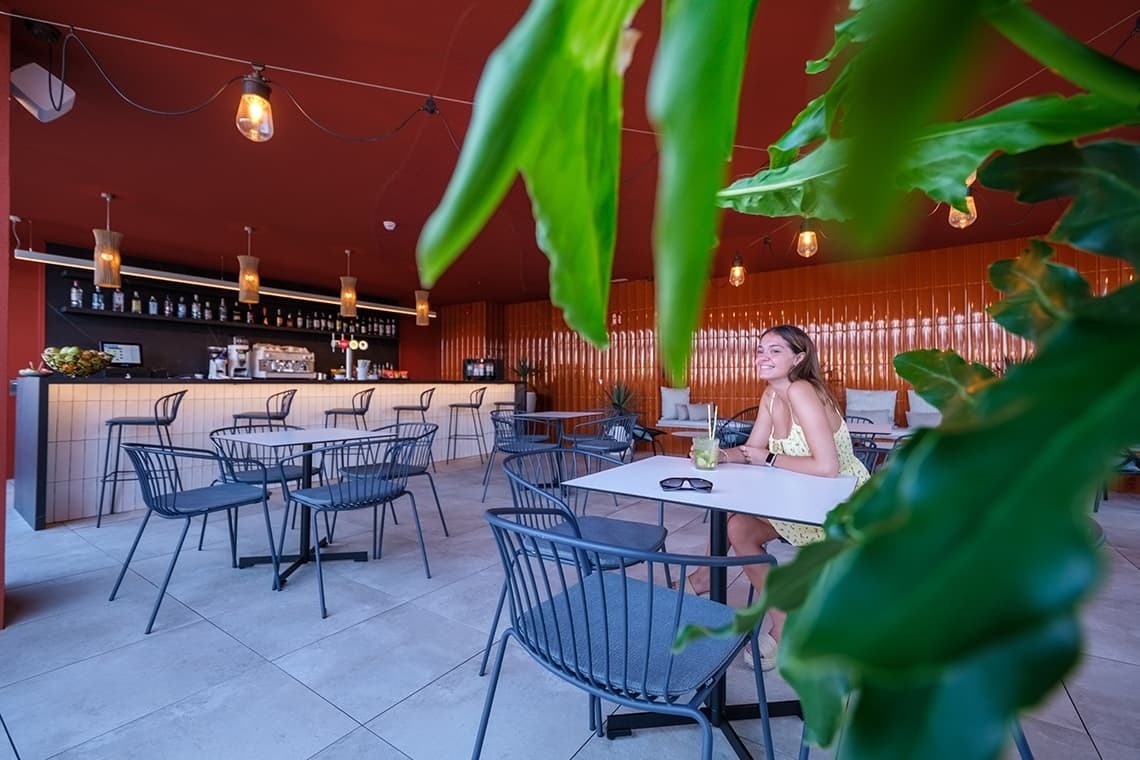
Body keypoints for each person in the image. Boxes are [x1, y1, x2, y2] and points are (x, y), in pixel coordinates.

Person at [687, 324, 870, 670]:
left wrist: (770, 459)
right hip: (801, 502)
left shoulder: (802, 390)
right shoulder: (771, 395)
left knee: (736, 524)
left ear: (798, 358)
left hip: (840, 509)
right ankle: (781, 619)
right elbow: (753, 449)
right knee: (738, 527)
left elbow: (827, 467)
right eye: (760, 349)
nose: (763, 356)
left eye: (774, 350)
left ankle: (701, 581)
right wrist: (721, 455)